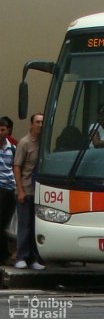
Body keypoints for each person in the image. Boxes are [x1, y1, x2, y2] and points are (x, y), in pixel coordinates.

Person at [13, 113, 45, 270]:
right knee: (24, 225)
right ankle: (21, 256)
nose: (40, 125)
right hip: (26, 189)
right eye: (37, 122)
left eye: (42, 122)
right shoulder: (24, 143)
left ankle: (33, 258)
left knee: (36, 226)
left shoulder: (45, 143)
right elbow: (17, 166)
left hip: (39, 191)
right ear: (31, 124)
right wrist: (20, 190)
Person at [0, 117, 16, 265]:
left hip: (10, 188)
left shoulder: (12, 148)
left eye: (3, 129)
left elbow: (15, 167)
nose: (0, 132)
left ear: (8, 131)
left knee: (6, 223)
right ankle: (3, 255)